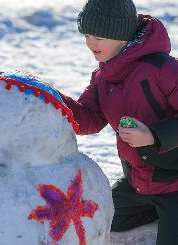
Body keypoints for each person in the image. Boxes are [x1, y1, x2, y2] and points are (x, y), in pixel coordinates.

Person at [57, 0, 178, 244]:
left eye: (99, 36)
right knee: (100, 220)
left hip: (174, 183)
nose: (91, 43)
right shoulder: (103, 76)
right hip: (139, 183)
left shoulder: (163, 69)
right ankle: (153, 210)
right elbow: (88, 118)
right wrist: (52, 99)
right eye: (87, 35)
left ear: (121, 35)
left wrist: (155, 135)